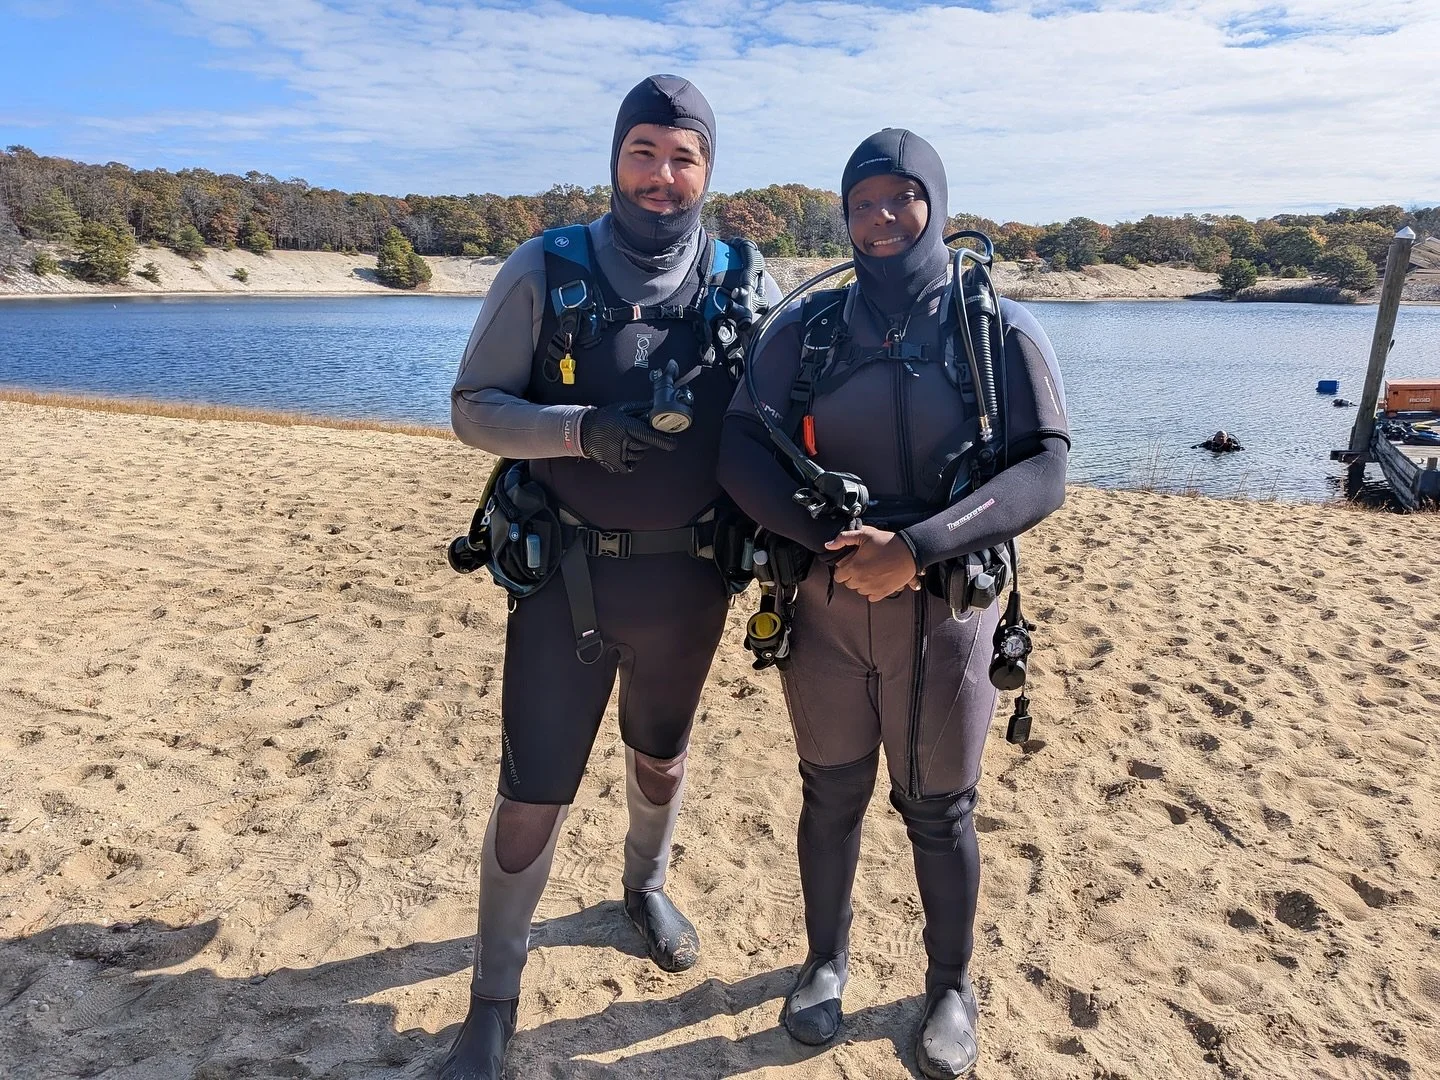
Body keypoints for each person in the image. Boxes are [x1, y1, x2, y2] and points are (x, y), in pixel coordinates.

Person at [442, 75, 778, 1079]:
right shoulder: (548, 268)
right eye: (644, 151)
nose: (662, 176)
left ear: (708, 168)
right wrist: (581, 431)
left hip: (689, 587)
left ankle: (645, 883)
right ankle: (493, 1001)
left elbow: (781, 424)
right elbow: (471, 407)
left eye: (683, 157)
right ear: (615, 158)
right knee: (533, 792)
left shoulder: (742, 280)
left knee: (661, 761)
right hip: (567, 583)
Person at [718, 128, 1069, 1078]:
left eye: (902, 198)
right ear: (844, 213)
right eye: (863, 201)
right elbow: (738, 449)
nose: (882, 217)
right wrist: (822, 540)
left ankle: (949, 985)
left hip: (948, 614)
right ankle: (824, 963)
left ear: (937, 206)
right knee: (830, 793)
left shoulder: (995, 327)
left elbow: (1044, 470)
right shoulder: (807, 327)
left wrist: (915, 549)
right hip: (826, 604)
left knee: (939, 810)